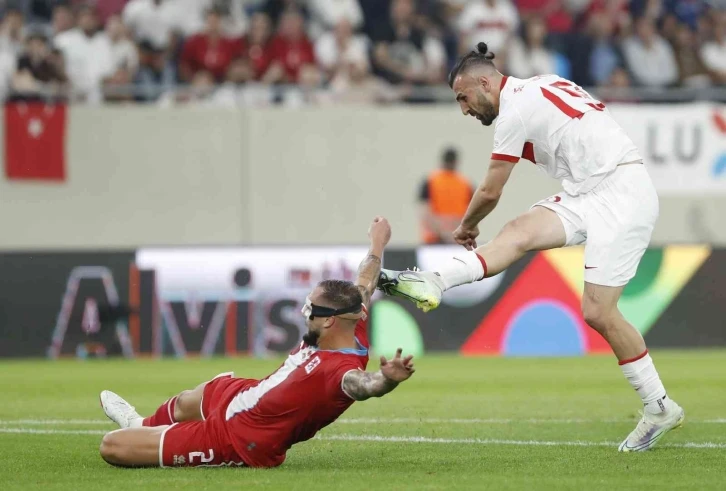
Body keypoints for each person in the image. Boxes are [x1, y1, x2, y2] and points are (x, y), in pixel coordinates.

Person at [377, 42, 684, 453]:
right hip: (588, 192)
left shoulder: (514, 110)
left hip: (621, 194)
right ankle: (434, 280)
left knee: (598, 312)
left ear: (485, 83)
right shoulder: (540, 85)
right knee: (518, 232)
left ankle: (659, 407)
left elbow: (490, 190)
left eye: (463, 98)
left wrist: (467, 225)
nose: (464, 110)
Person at [98, 217, 416, 468]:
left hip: (241, 438)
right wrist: (378, 241)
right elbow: (366, 280)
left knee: (112, 446)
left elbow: (364, 385)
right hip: (247, 394)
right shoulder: (353, 316)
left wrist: (386, 379)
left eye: (310, 310)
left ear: (328, 320)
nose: (305, 314)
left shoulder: (339, 371)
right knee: (185, 402)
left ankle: (145, 433)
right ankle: (139, 423)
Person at [419, 147, 474, 245]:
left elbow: (424, 212)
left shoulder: (430, 181)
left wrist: (442, 232)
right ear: (456, 162)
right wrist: (456, 230)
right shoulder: (466, 184)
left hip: (434, 241)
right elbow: (473, 213)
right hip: (458, 239)